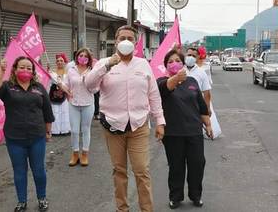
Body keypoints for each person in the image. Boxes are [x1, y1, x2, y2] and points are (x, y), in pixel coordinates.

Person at [85, 25, 165, 212]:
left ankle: (147, 209)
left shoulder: (143, 65)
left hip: (138, 126)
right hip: (113, 127)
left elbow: (153, 95)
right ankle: (122, 209)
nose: (126, 41)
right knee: (119, 171)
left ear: (136, 43)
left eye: (130, 38)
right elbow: (89, 86)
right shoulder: (104, 63)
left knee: (142, 171)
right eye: (122, 38)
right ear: (116, 41)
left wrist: (160, 121)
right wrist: (106, 66)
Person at [0, 56, 54, 212]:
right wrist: (1, 70)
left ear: (33, 72)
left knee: (38, 170)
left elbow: (47, 111)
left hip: (36, 136)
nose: (25, 70)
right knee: (19, 171)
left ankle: (42, 198)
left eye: (29, 68)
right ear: (15, 69)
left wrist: (48, 131)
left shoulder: (38, 87)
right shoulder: (8, 87)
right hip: (14, 138)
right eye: (22, 67)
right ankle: (22, 201)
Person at [157, 49, 213, 209]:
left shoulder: (192, 82)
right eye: (170, 61)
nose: (174, 63)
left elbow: (202, 107)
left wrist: (208, 124)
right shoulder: (161, 82)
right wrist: (176, 78)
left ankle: (196, 195)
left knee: (198, 163)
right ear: (166, 65)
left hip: (194, 131)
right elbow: (167, 87)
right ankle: (175, 196)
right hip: (173, 133)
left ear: (183, 63)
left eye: (177, 61)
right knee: (176, 166)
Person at [65, 48, 96, 167]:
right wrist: (65, 91)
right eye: (80, 55)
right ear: (77, 56)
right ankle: (75, 153)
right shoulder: (71, 70)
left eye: (85, 56)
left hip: (88, 103)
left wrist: (88, 82)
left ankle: (85, 154)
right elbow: (66, 84)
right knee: (74, 130)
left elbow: (95, 89)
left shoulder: (92, 71)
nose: (82, 57)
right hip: (73, 104)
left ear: (89, 59)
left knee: (85, 129)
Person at [49, 53, 71, 136]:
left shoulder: (68, 73)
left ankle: (65, 130)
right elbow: (50, 85)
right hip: (54, 96)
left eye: (61, 60)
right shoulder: (52, 73)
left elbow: (69, 85)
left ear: (64, 62)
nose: (59, 62)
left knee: (65, 112)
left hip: (65, 96)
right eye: (58, 61)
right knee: (55, 112)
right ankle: (55, 130)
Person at [185, 47, 212, 116]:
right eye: (189, 55)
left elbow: (206, 93)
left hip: (196, 107)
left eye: (193, 56)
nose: (191, 57)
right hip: (181, 106)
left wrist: (207, 108)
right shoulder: (179, 70)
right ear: (185, 55)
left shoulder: (201, 73)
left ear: (197, 58)